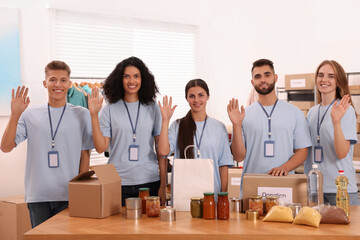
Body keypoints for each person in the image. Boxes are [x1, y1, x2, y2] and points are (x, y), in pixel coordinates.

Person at [0, 60, 93, 228]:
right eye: (53, 79)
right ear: (45, 83)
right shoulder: (30, 114)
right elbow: (5, 147)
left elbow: (85, 154)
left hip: (68, 196)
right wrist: (15, 115)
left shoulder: (82, 114)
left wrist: (79, 194)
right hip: (38, 197)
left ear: (69, 83)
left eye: (63, 80)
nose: (58, 84)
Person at [88, 56, 166, 205]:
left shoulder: (153, 107)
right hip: (118, 182)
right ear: (119, 79)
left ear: (143, 80)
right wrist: (93, 115)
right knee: (118, 229)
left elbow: (160, 149)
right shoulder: (109, 110)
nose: (132, 81)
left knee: (150, 228)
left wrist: (163, 184)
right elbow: (100, 148)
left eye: (136, 76)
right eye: (126, 76)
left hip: (149, 182)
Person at [228, 59, 312, 184]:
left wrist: (285, 168)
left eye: (267, 75)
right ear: (252, 82)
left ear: (275, 78)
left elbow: (302, 151)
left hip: (284, 185)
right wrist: (236, 125)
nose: (262, 80)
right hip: (252, 185)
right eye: (258, 76)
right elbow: (238, 156)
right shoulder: (243, 115)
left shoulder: (295, 113)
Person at [157, 79, 233, 196]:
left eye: (201, 95)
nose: (196, 100)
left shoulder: (219, 127)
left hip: (212, 193)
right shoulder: (177, 125)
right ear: (187, 98)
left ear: (208, 96)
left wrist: (223, 195)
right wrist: (165, 120)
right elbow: (163, 151)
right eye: (192, 96)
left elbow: (223, 166)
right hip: (183, 193)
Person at [304, 60, 359, 205]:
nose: (324, 80)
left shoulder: (346, 110)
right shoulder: (312, 112)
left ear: (339, 81)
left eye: (331, 76)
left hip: (339, 189)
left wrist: (336, 121)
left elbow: (341, 153)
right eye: (320, 75)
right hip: (315, 189)